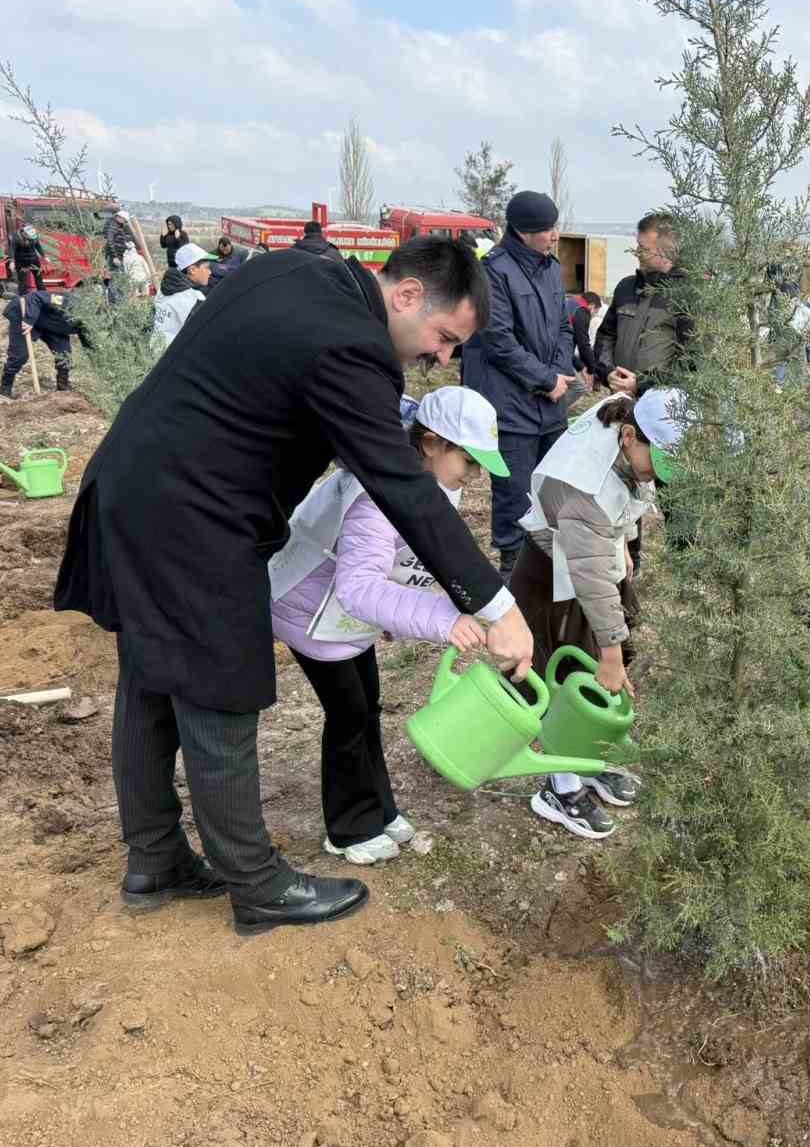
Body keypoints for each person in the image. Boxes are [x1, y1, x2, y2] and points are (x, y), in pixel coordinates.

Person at [53, 237, 534, 936]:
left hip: (134, 483)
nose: (440, 358)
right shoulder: (354, 348)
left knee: (152, 682)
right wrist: (497, 605)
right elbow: (403, 487)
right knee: (221, 694)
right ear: (405, 296)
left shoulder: (296, 271)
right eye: (442, 337)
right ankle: (257, 885)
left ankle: (154, 859)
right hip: (195, 519)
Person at [268, 386, 506, 865]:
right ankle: (348, 828)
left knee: (366, 709)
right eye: (469, 460)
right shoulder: (377, 495)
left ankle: (378, 807)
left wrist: (398, 610)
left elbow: (398, 565)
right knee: (349, 717)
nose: (475, 475)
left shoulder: (429, 485)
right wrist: (442, 618)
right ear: (432, 443)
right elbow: (359, 587)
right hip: (309, 610)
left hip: (343, 619)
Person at [508, 389, 688, 838]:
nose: (655, 476)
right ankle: (560, 786)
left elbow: (633, 489)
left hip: (588, 553)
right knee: (563, 676)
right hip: (551, 572)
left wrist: (623, 539)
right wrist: (609, 652)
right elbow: (588, 579)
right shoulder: (585, 488)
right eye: (657, 462)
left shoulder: (631, 413)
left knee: (594, 662)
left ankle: (589, 761)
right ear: (629, 436)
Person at [460, 191, 575, 578]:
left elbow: (562, 327)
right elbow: (499, 341)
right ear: (524, 232)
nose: (554, 235)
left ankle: (545, 569)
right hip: (512, 407)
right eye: (546, 230)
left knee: (552, 490)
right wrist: (544, 379)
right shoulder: (494, 271)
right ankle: (512, 574)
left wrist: (558, 375)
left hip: (551, 405)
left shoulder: (550, 268)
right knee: (515, 496)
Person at [595, 213, 693, 397]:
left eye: (643, 248)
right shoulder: (626, 287)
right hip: (619, 400)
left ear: (667, 252)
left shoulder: (689, 296)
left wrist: (640, 385)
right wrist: (607, 372)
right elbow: (606, 336)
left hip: (662, 409)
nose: (637, 253)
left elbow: (692, 361)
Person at [0, 288, 91, 399]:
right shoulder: (67, 301)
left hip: (53, 325)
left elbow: (89, 344)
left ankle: (63, 388)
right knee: (20, 356)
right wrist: (29, 320)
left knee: (64, 355)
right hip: (26, 314)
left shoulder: (91, 322)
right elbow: (36, 297)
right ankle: (5, 389)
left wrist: (98, 362)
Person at [151, 242, 214, 351]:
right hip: (173, 358)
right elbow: (204, 336)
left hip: (153, 350)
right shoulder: (194, 298)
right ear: (192, 270)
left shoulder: (163, 289)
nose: (210, 272)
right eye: (207, 267)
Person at [570, 290, 603, 384]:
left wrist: (581, 366)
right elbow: (583, 343)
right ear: (592, 305)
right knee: (579, 388)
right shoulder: (582, 311)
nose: (593, 316)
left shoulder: (572, 302)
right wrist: (591, 368)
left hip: (551, 347)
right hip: (556, 355)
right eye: (595, 312)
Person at [11, 224, 44, 294]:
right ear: (24, 233)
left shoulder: (34, 236)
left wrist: (44, 256)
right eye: (29, 237)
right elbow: (12, 250)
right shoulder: (16, 238)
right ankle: (23, 296)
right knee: (22, 280)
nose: (31, 238)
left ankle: (42, 293)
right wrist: (12, 261)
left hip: (34, 259)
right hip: (21, 261)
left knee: (39, 277)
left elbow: (38, 246)